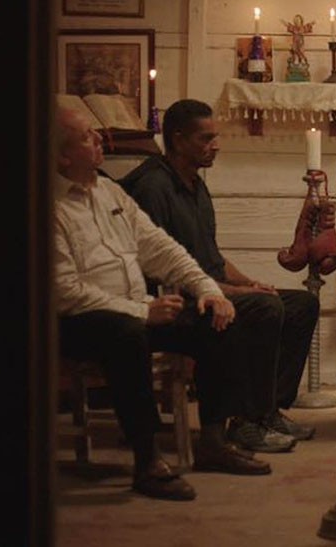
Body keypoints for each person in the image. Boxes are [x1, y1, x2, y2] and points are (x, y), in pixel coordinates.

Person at [54, 107, 272, 501]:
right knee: (126, 333)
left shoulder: (110, 192)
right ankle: (148, 460)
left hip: (136, 311)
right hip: (79, 322)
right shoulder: (47, 206)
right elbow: (64, 291)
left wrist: (209, 290)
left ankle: (213, 441)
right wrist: (142, 311)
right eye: (87, 136)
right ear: (62, 156)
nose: (101, 140)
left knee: (216, 318)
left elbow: (160, 248)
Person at [119, 99, 319, 453]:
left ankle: (267, 410)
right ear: (178, 139)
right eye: (205, 138)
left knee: (301, 304)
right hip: (174, 301)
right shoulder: (153, 187)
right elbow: (158, 269)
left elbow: (211, 255)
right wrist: (230, 293)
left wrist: (247, 283)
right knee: (264, 308)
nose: (216, 145)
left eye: (216, 137)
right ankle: (246, 421)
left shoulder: (196, 184)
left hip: (209, 289)